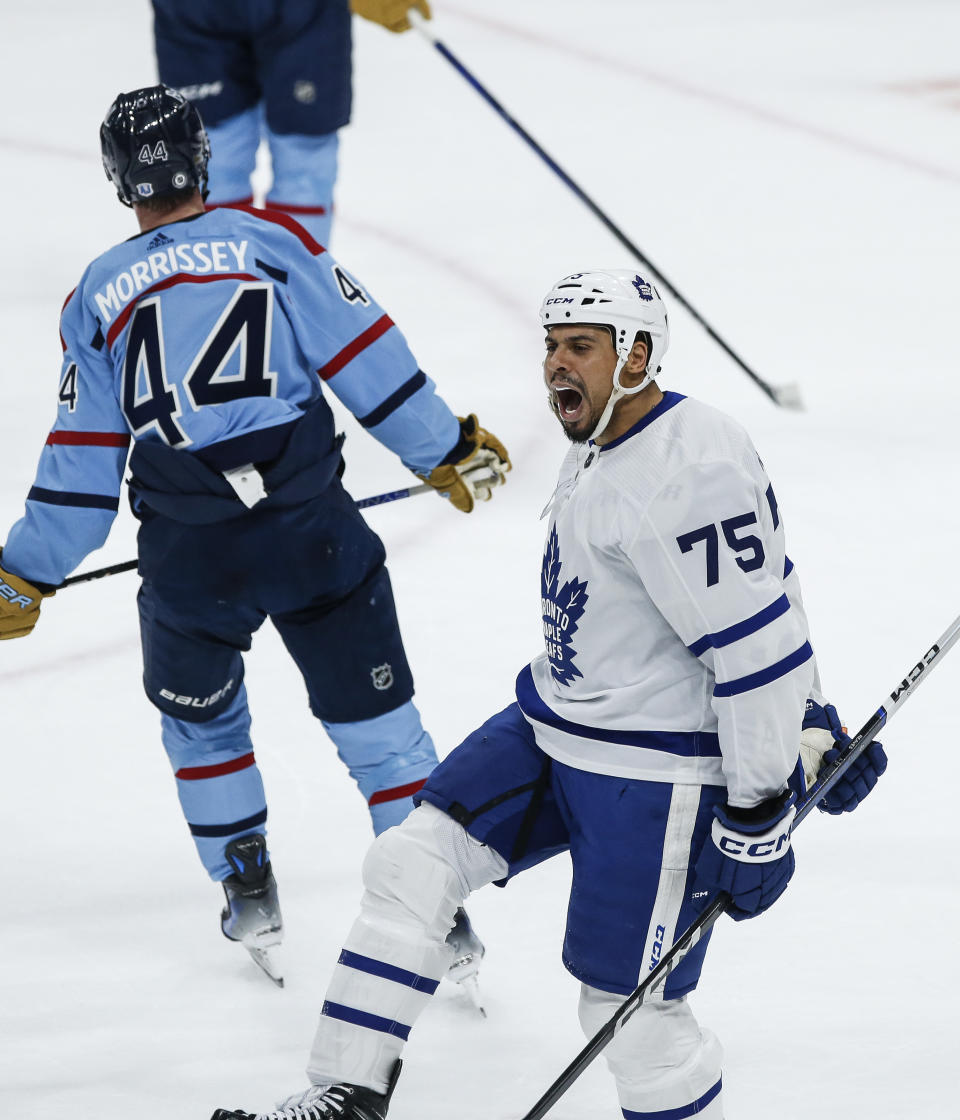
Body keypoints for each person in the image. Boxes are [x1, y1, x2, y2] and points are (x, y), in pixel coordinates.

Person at [207, 269, 888, 1120]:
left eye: (580, 347)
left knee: (630, 1012)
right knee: (412, 864)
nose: (556, 367)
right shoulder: (611, 439)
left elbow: (758, 645)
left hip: (657, 770)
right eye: (551, 346)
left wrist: (760, 807)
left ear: (637, 356)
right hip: (556, 725)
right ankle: (343, 1097)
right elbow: (769, 604)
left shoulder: (691, 472)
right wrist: (816, 729)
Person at [0, 85, 509, 989]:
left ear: (121, 182)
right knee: (384, 735)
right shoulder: (273, 243)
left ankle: (248, 887)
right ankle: (435, 904)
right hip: (312, 535)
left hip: (191, 561)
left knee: (204, 730)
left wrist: (24, 574)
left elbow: (80, 471)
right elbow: (364, 353)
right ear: (202, 158)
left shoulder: (93, 299)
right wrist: (447, 449)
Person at [151, 0, 431, 246]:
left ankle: (298, 289)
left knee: (305, 155)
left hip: (307, 13)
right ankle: (218, 289)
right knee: (210, 158)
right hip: (197, 14)